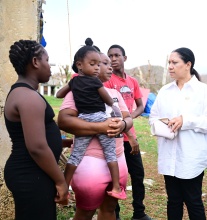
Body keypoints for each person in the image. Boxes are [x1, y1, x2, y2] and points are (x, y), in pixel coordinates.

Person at [58, 51, 133, 220]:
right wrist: (101, 127)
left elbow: (128, 119)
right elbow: (64, 121)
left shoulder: (115, 93)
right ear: (83, 66)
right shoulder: (76, 91)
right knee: (85, 212)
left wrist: (123, 125)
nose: (109, 67)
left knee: (110, 208)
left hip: (118, 158)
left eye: (105, 63)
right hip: (90, 163)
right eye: (102, 63)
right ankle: (64, 185)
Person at [149, 47, 207, 220]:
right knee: (173, 200)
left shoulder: (203, 91)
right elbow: (153, 117)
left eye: (175, 62)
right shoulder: (165, 91)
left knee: (193, 200)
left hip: (192, 156)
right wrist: (162, 124)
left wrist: (185, 121)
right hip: (169, 153)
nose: (170, 67)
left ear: (188, 64)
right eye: (169, 63)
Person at [4, 40, 69, 219]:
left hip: (32, 173)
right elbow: (37, 147)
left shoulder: (23, 93)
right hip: (31, 175)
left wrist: (64, 141)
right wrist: (61, 181)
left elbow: (32, 136)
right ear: (35, 62)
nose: (49, 66)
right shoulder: (28, 97)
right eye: (47, 60)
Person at [104, 45, 152, 220]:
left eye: (117, 55)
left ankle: (139, 212)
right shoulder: (107, 81)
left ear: (125, 58)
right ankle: (114, 214)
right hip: (115, 139)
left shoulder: (132, 82)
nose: (113, 59)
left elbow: (140, 106)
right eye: (110, 56)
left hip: (130, 135)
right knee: (115, 178)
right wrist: (125, 124)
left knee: (138, 175)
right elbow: (111, 110)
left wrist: (129, 119)